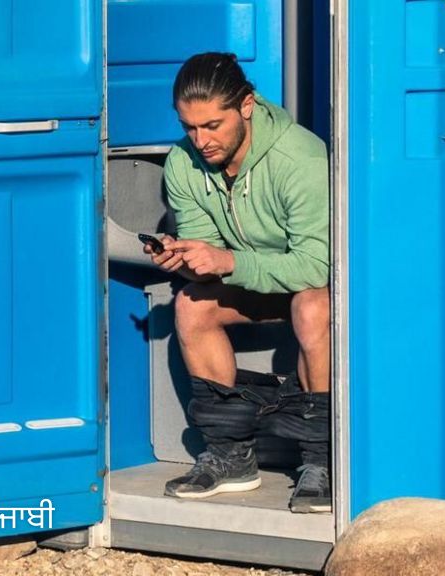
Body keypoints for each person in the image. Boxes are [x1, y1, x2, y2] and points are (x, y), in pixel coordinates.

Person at [144, 52, 331, 513]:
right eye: (189, 127)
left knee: (313, 308)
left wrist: (227, 261)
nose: (201, 140)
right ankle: (231, 457)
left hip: (314, 285)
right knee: (191, 303)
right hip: (251, 281)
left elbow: (317, 266)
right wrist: (184, 260)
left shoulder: (299, 157)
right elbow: (207, 254)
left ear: (246, 105)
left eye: (212, 125)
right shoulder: (183, 162)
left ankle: (322, 459)